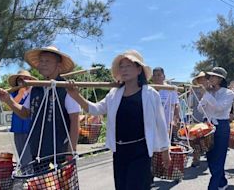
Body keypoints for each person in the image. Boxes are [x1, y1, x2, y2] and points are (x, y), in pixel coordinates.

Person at [66, 50, 170, 190]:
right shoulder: (114, 94)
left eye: (129, 66)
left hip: (141, 150)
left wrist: (165, 150)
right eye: (122, 66)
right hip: (120, 151)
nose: (124, 69)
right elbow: (95, 109)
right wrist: (76, 95)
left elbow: (161, 123)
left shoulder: (151, 94)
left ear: (139, 70)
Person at [0, 46, 81, 161]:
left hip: (60, 149)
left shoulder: (67, 88)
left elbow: (75, 120)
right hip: (37, 149)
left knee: (58, 179)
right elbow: (25, 113)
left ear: (58, 65)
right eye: (41, 61)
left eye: (48, 61)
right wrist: (8, 100)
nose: (43, 64)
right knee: (39, 179)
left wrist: (71, 149)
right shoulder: (35, 88)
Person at [197, 67, 234, 190]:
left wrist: (206, 95)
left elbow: (219, 108)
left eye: (213, 76)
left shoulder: (229, 93)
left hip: (221, 126)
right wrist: (205, 97)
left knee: (219, 157)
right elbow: (199, 109)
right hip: (207, 126)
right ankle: (222, 182)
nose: (210, 79)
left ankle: (212, 187)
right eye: (210, 76)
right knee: (210, 157)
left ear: (220, 79)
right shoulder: (209, 92)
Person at [7, 70, 37, 165]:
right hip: (18, 128)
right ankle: (26, 174)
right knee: (22, 153)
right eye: (20, 79)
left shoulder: (34, 92)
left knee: (32, 154)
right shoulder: (14, 93)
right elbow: (12, 104)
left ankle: (32, 174)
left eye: (26, 78)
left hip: (32, 128)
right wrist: (20, 93)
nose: (23, 81)